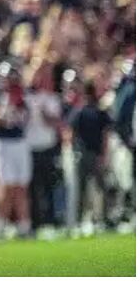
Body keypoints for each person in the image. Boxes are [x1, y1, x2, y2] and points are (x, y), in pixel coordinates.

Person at [0, 73, 32, 237]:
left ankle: (24, 225)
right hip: (2, 143)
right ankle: (0, 224)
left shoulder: (23, 95)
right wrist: (4, 111)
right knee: (5, 185)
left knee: (21, 186)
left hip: (19, 142)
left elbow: (26, 120)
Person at [66, 82, 111, 232]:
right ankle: (101, 220)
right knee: (99, 188)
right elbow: (105, 135)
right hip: (95, 154)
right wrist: (104, 154)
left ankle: (78, 222)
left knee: (82, 189)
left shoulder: (79, 111)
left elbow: (70, 133)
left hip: (81, 154)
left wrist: (72, 151)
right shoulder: (99, 111)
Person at [25, 65, 63, 230]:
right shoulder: (26, 98)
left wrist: (43, 112)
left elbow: (55, 123)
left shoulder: (52, 98)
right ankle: (35, 221)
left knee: (49, 185)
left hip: (48, 146)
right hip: (30, 147)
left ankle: (50, 219)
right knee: (32, 187)